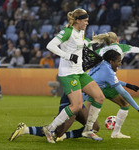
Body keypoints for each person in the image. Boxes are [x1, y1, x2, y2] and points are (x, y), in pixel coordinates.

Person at [9, 50, 139, 142]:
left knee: (95, 127)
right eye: (118, 62)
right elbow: (122, 92)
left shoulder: (102, 64)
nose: (120, 64)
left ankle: (72, 134)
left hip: (81, 100)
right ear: (111, 61)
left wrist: (127, 84)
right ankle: (26, 129)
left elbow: (105, 79)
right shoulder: (108, 71)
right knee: (57, 132)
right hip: (73, 97)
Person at [42, 8, 105, 143]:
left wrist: (95, 42)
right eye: (85, 21)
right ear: (77, 20)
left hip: (79, 72)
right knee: (76, 106)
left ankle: (88, 129)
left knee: (99, 97)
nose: (87, 23)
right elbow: (50, 45)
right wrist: (68, 56)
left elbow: (82, 44)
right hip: (68, 73)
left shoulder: (81, 32)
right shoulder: (67, 31)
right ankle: (50, 128)